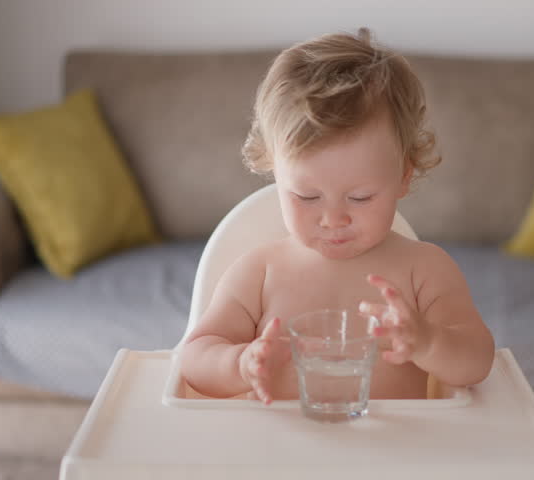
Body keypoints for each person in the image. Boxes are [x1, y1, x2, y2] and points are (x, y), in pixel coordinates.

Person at [180, 27, 494, 404]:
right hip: (278, 457)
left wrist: (427, 341)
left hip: (395, 456)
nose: (332, 219)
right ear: (274, 173)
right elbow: (194, 358)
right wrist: (239, 363)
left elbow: (477, 360)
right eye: (307, 196)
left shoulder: (424, 271)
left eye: (360, 197)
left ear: (403, 177)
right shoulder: (259, 273)